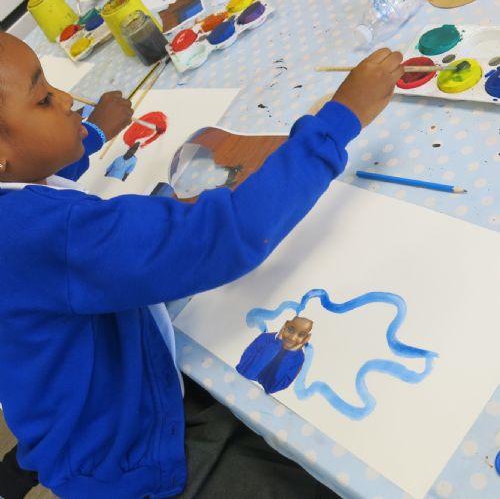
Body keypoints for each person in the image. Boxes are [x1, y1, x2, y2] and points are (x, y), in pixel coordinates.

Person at [0, 29, 404, 498]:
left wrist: (92, 133)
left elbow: (30, 170)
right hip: (132, 457)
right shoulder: (39, 234)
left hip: (75, 401)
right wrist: (340, 119)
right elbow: (223, 235)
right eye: (44, 99)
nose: (68, 99)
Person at [236, 317, 313, 394]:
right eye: (290, 330)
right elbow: (245, 372)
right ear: (285, 325)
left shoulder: (298, 358)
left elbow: (272, 388)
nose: (292, 338)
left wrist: (290, 354)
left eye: (301, 335)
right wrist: (276, 345)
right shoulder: (265, 338)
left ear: (306, 338)